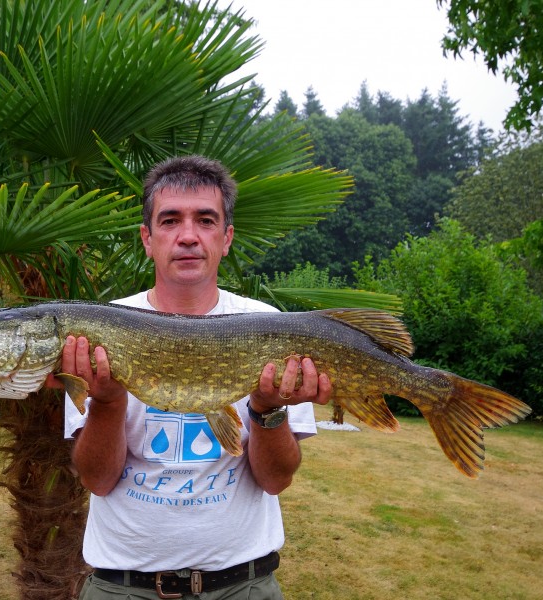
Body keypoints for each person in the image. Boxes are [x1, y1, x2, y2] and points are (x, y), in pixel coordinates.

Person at [48, 155, 332, 599]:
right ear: (147, 238)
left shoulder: (271, 325)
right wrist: (107, 401)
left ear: (226, 237)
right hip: (124, 586)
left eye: (205, 220)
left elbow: (275, 480)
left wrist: (266, 409)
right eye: (169, 220)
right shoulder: (96, 332)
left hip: (242, 585)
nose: (187, 236)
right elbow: (98, 481)